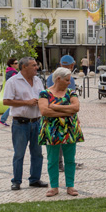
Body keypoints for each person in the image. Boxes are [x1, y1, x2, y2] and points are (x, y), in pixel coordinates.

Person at [3, 57, 48, 191]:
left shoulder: (38, 80)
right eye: (33, 65)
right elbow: (6, 101)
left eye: (36, 65)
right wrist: (26, 102)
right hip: (20, 123)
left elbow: (43, 96)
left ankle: (35, 179)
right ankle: (16, 181)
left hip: (36, 121)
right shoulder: (13, 81)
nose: (37, 67)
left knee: (37, 153)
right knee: (19, 153)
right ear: (24, 67)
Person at [39, 67, 83, 197]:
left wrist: (55, 107)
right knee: (52, 160)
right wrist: (66, 111)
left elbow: (76, 108)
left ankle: (70, 186)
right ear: (58, 79)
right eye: (67, 80)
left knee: (70, 159)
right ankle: (54, 187)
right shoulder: (44, 93)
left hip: (69, 130)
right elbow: (44, 111)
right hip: (51, 131)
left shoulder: (71, 93)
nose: (69, 82)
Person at [0, 58, 18, 126]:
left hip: (11, 90)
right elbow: (16, 82)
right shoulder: (13, 73)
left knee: (12, 105)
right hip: (14, 91)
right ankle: (3, 119)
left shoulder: (9, 71)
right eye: (15, 63)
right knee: (13, 105)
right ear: (11, 64)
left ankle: (3, 119)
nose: (17, 64)